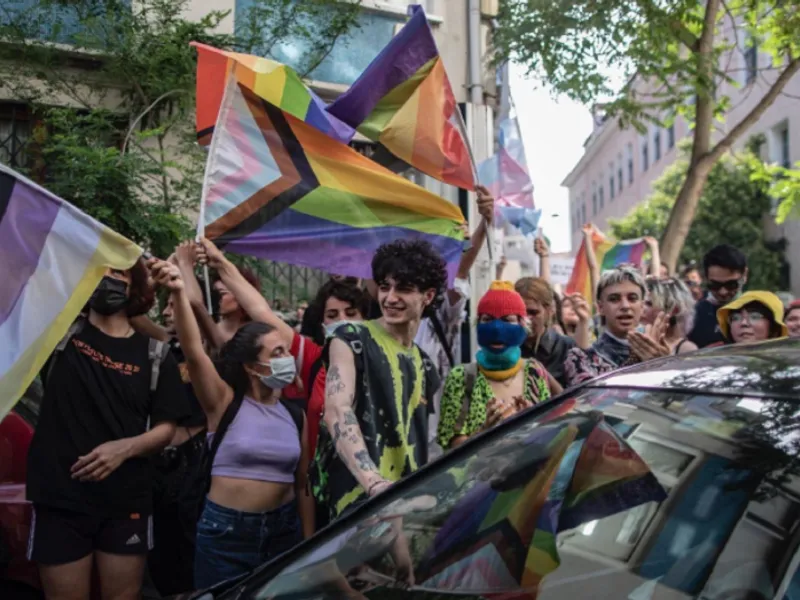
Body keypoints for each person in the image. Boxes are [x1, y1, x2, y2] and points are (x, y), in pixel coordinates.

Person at [26, 260, 190, 600]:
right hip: (60, 499)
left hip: (125, 501)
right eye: (101, 270)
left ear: (134, 285)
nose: (109, 279)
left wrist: (124, 449)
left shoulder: (155, 355)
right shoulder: (59, 334)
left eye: (120, 272)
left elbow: (166, 429)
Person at [149, 259, 314, 589]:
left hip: (283, 534)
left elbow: (302, 486)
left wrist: (310, 546)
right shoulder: (223, 403)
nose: (287, 358)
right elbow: (195, 351)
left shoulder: (296, 415)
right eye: (278, 352)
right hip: (226, 535)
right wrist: (179, 293)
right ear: (253, 367)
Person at [312, 239, 444, 522]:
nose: (390, 297)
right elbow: (337, 408)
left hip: (406, 510)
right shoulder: (351, 338)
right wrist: (373, 482)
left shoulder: (425, 365)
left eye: (404, 289)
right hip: (358, 509)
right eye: (385, 287)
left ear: (428, 296)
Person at [436, 282, 562, 450]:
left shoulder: (534, 372)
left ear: (522, 325)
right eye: (487, 319)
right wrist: (484, 432)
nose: (496, 328)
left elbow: (551, 437)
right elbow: (451, 450)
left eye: (507, 320)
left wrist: (534, 422)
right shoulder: (462, 377)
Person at [565, 266, 671, 387]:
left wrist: (664, 366)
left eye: (632, 298)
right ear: (600, 308)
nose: (625, 306)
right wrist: (643, 364)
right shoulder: (581, 359)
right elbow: (595, 401)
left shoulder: (660, 353)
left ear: (642, 306)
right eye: (614, 299)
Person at [514, 277, 590, 387]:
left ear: (549, 311)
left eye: (533, 312)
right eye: (520, 313)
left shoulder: (566, 347)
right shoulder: (507, 348)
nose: (526, 319)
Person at [688, 245, 748, 348]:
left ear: (745, 275)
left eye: (731, 285)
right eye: (715, 285)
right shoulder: (693, 315)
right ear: (705, 278)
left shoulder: (760, 310)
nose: (723, 292)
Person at [642, 278, 698, 354]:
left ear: (674, 310)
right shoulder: (638, 338)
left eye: (649, 304)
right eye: (642, 302)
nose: (642, 308)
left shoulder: (686, 349)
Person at [716, 291, 788, 345]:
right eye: (735, 318)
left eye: (755, 317)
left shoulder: (790, 361)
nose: (743, 323)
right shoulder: (714, 357)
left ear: (774, 327)